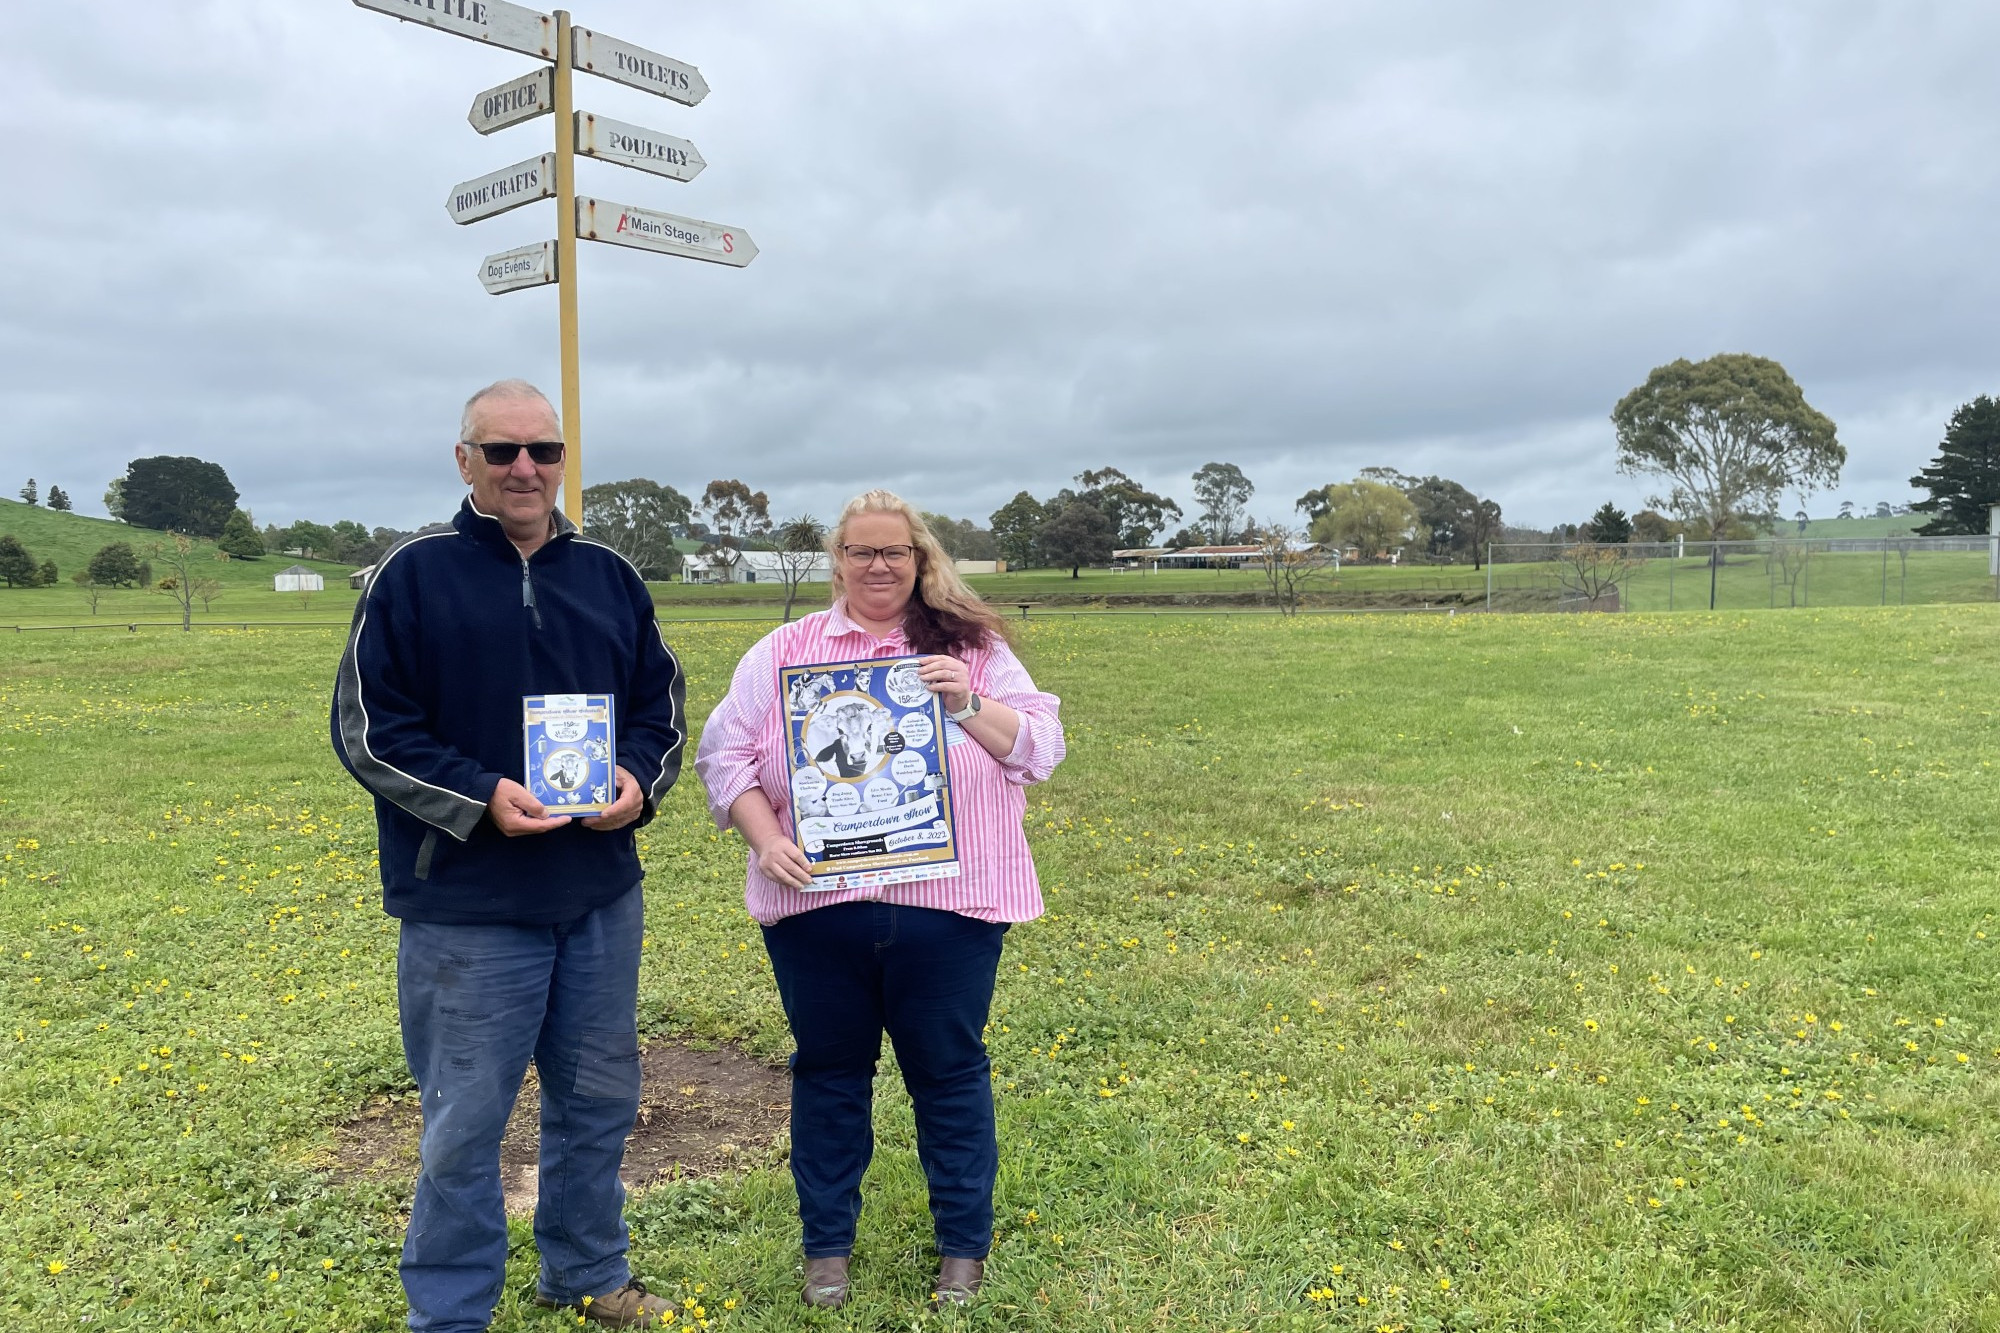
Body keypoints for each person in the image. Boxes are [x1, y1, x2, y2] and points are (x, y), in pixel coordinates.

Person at [331, 379, 688, 1331]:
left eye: (543, 450)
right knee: (464, 1123)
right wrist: (482, 797)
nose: (525, 468)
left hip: (598, 894)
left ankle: (585, 1271)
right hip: (467, 907)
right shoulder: (411, 574)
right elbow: (370, 731)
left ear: (564, 459)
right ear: (465, 461)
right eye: (501, 451)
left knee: (600, 1099)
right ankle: (450, 1312)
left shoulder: (611, 574)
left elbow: (660, 709)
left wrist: (634, 784)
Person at [694, 490, 1064, 1309]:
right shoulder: (784, 652)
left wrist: (965, 700)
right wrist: (765, 838)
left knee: (950, 1075)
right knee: (828, 1074)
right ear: (838, 561)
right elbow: (724, 758)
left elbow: (1041, 747)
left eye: (896, 551)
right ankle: (827, 1249)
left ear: (922, 558)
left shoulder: (972, 648)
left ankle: (963, 1249)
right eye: (862, 552)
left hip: (952, 910)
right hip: (819, 912)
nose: (879, 566)